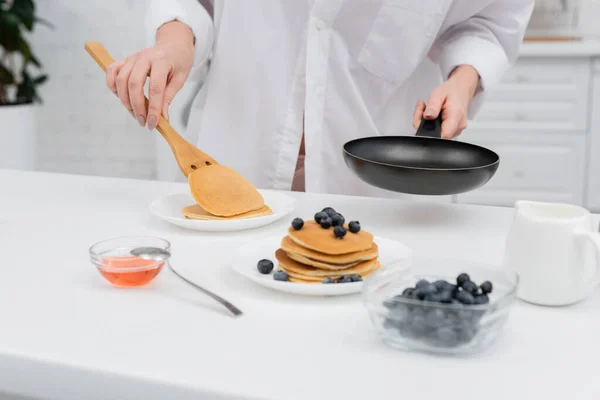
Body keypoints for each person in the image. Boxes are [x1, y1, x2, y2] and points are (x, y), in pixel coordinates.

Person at [106, 0, 534, 197]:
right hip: (236, 160)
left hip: (378, 190)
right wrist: (175, 43)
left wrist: (462, 81)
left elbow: (487, 22)